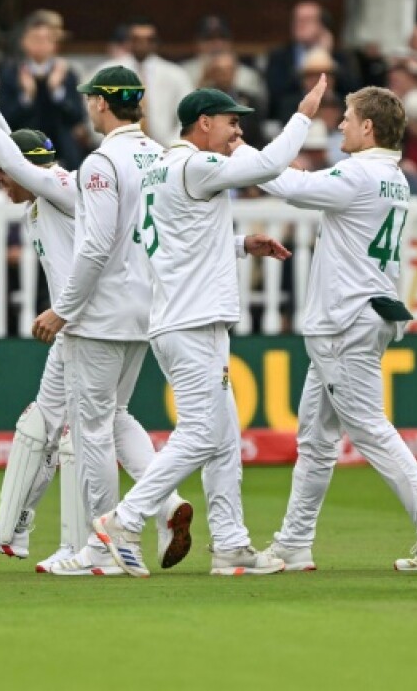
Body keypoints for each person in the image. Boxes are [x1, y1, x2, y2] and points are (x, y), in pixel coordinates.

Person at [94, 79, 323, 579]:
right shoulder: (195, 164)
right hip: (192, 320)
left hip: (184, 316)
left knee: (221, 438)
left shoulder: (164, 168)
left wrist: (241, 246)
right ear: (204, 123)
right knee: (200, 433)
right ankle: (125, 519)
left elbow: (179, 239)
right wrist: (302, 115)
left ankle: (231, 545)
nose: (236, 132)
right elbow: (266, 167)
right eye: (231, 122)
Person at [0, 101, 186, 574]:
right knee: (92, 418)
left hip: (86, 321)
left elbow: (23, 165)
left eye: (3, 172)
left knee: (79, 430)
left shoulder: (65, 186)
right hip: (113, 317)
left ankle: (93, 546)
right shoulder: (45, 200)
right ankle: (19, 526)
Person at [245, 86, 417, 573]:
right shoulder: (394, 177)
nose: (339, 125)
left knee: (367, 429)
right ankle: (294, 543)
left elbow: (286, 186)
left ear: (368, 127)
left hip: (345, 321)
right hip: (365, 315)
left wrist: (237, 151)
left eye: (346, 118)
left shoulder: (358, 173)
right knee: (318, 439)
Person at [29, 65, 192, 577]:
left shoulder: (102, 163)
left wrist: (63, 309)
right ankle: (162, 505)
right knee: (116, 416)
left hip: (101, 315)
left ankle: (108, 546)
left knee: (92, 428)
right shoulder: (160, 156)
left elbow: (95, 245)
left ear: (102, 103)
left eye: (91, 100)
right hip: (147, 308)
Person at [0, 11, 87, 170]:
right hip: (23, 154)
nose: (41, 44)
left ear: (55, 44)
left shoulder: (66, 73)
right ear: (24, 42)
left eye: (47, 40)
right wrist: (26, 96)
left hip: (62, 155)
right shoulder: (10, 73)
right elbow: (5, 118)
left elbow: (77, 116)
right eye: (35, 39)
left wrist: (57, 91)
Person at [93, 17, 192, 148]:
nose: (142, 44)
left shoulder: (175, 75)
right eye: (136, 39)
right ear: (128, 41)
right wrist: (110, 144)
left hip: (164, 149)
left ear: (156, 42)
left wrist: (172, 145)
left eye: (148, 40)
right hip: (118, 149)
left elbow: (189, 115)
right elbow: (95, 111)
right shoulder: (107, 73)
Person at [264, 1, 356, 119]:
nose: (299, 24)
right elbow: (276, 93)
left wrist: (325, 56)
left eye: (307, 20)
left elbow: (352, 90)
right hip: (292, 115)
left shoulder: (339, 56)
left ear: (322, 25)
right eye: (297, 20)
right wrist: (306, 66)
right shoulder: (279, 56)